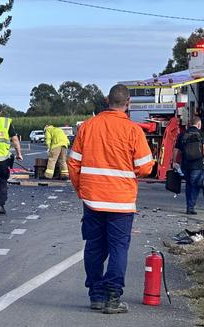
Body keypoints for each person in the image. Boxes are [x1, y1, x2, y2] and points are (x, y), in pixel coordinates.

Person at [68, 84, 154, 314]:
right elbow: (145, 167)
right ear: (128, 104)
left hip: (93, 198)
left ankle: (96, 295)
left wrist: (81, 189)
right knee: (118, 248)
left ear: (107, 100)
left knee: (94, 246)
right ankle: (113, 297)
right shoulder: (133, 131)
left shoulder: (88, 127)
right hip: (121, 200)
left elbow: (73, 162)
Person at [172, 116, 204, 214]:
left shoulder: (182, 134)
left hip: (185, 164)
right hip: (197, 164)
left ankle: (189, 206)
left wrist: (174, 162)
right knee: (195, 186)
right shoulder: (200, 134)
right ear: (199, 124)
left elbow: (176, 149)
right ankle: (191, 207)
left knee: (189, 185)